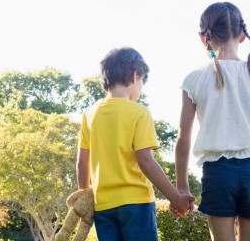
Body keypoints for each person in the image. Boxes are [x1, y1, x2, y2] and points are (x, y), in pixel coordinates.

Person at [174, 2, 250, 241]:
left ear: (203, 37)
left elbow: (183, 139)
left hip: (217, 173)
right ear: (242, 35)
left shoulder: (194, 80)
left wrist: (181, 188)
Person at [77, 47, 195, 241]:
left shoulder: (89, 114)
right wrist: (176, 198)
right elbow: (146, 161)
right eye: (142, 83)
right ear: (136, 74)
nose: (140, 89)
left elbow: (82, 163)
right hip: (136, 203)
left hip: (103, 206)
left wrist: (84, 196)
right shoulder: (139, 112)